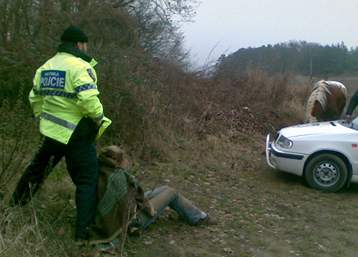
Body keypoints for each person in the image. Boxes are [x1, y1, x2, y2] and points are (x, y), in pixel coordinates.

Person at [10, 25, 111, 241]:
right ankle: (84, 235)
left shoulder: (45, 67)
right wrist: (99, 118)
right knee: (87, 181)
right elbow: (89, 99)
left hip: (53, 133)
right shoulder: (80, 67)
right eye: (85, 44)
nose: (87, 48)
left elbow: (34, 98)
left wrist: (42, 118)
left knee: (36, 172)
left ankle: (12, 209)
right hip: (78, 133)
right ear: (78, 44)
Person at [87, 145, 214, 245]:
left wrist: (141, 199)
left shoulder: (101, 170)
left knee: (165, 188)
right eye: (122, 158)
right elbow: (127, 206)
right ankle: (199, 218)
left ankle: (190, 213)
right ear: (117, 160)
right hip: (131, 221)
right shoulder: (118, 177)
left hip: (120, 212)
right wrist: (148, 208)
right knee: (171, 193)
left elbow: (129, 197)